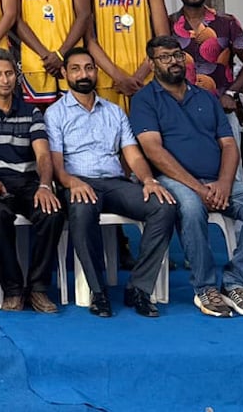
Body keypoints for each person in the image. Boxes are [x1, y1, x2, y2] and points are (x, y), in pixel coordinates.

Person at [132, 36, 243, 318]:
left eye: (176, 55)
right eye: (164, 57)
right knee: (190, 206)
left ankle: (235, 282)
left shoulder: (205, 97)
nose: (173, 61)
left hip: (217, 180)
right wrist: (199, 188)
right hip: (173, 180)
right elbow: (153, 151)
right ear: (151, 64)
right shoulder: (144, 100)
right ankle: (205, 288)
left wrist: (224, 184)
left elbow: (228, 144)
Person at [45, 47, 176, 318]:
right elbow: (56, 165)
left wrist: (148, 180)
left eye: (89, 68)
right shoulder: (55, 113)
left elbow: (132, 154)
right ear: (64, 73)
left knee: (162, 206)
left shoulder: (114, 112)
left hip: (115, 182)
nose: (83, 74)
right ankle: (98, 291)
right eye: (76, 69)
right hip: (78, 182)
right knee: (81, 211)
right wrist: (71, 182)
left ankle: (139, 287)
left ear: (96, 71)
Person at [0, 48, 64, 313]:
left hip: (28, 180)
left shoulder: (31, 112)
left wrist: (45, 185)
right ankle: (12, 288)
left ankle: (38, 288)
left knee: (52, 212)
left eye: (9, 73)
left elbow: (43, 155)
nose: (4, 80)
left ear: (17, 76)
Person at [170, 0, 243, 176]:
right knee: (189, 173)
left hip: (221, 109)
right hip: (182, 110)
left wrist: (231, 93)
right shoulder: (168, 23)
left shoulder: (226, 22)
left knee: (232, 175)